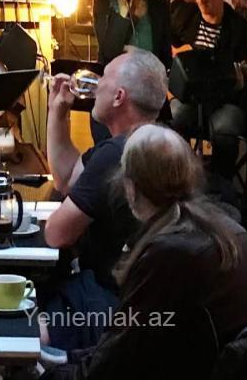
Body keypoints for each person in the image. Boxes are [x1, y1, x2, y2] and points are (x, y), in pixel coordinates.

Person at [49, 124, 247, 380]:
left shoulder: (170, 254)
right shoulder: (231, 230)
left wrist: (47, 373)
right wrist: (67, 359)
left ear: (130, 186)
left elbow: (112, 365)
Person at [42, 48, 167, 351]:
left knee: (21, 322)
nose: (96, 85)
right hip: (151, 304)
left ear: (119, 97)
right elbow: (67, 179)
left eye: (104, 78)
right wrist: (58, 110)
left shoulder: (116, 155)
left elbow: (56, 234)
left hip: (109, 304)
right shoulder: (157, 141)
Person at [171, 0, 247, 179]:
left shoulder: (240, 31)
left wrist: (239, 81)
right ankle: (179, 178)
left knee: (225, 128)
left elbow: (243, 83)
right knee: (174, 117)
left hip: (224, 100)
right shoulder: (184, 15)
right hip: (188, 98)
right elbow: (166, 43)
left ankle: (219, 184)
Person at [91, 0, 170, 142]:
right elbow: (108, 52)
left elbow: (165, 58)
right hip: (115, 93)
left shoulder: (159, 8)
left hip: (149, 92)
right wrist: (123, 13)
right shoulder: (103, 3)